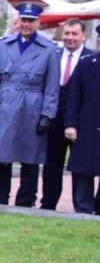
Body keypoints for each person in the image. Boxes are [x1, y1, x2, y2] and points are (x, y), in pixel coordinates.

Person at [0, 2, 59, 207]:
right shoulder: (3, 45)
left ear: (38, 23)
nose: (26, 24)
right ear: (18, 21)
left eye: (31, 21)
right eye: (23, 20)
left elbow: (51, 87)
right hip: (5, 105)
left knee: (30, 159)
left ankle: (25, 201)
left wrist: (47, 115)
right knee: (1, 157)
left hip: (32, 107)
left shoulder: (49, 50)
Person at [40, 18, 88, 210]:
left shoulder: (90, 58)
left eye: (74, 34)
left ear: (83, 35)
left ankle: (80, 205)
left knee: (78, 166)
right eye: (67, 33)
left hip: (79, 122)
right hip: (53, 120)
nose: (70, 38)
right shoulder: (53, 55)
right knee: (51, 165)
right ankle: (48, 203)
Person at [63, 42, 100, 214]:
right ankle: (83, 210)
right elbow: (74, 97)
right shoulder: (86, 64)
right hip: (88, 126)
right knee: (84, 171)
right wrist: (70, 124)